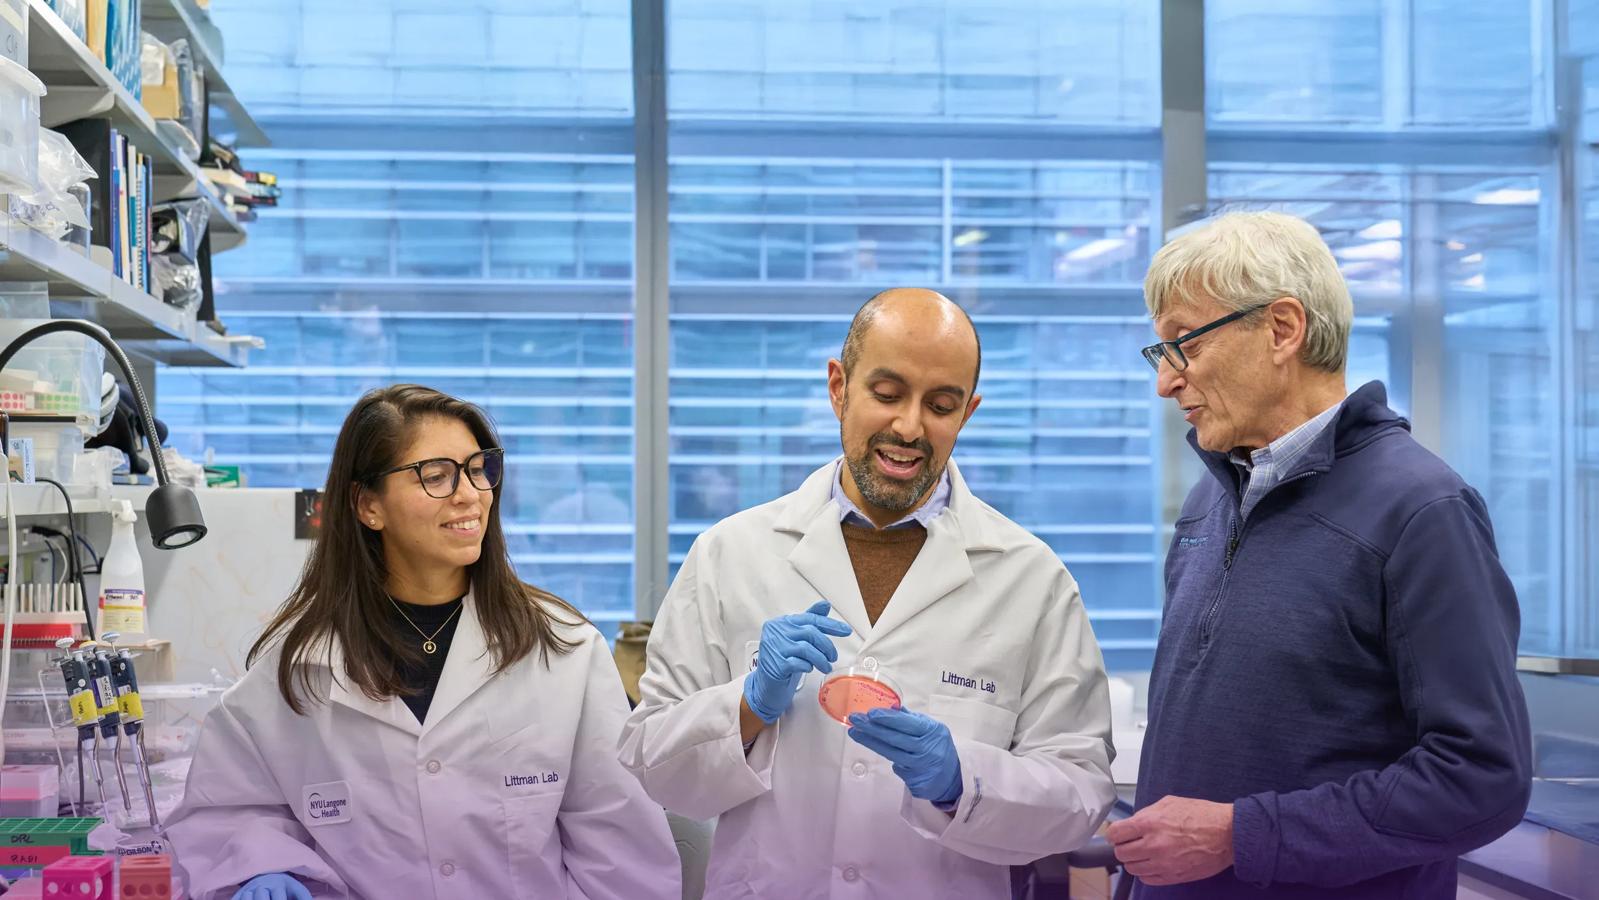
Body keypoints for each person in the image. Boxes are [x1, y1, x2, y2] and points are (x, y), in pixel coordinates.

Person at [618, 289, 1116, 899]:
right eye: (887, 394)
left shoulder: (1032, 580)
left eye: (940, 404)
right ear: (838, 387)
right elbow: (654, 765)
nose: (909, 426)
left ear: (967, 413)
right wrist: (746, 708)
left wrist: (962, 781)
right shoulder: (731, 553)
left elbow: (1081, 793)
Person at [1111, 211, 1532, 898]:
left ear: (1281, 328)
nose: (1166, 382)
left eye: (1181, 343)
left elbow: (1479, 776)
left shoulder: (1421, 510)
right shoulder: (1209, 503)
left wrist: (1242, 836)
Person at [167, 385, 681, 900]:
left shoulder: (563, 649)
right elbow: (229, 809)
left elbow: (622, 851)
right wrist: (262, 866)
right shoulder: (299, 664)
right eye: (436, 476)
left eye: (478, 469)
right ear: (369, 505)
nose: (470, 494)